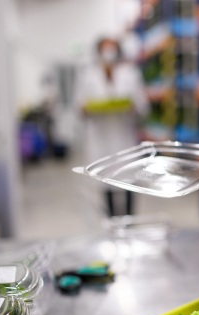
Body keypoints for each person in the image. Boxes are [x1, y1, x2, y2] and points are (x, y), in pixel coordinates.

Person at [77, 37, 149, 216]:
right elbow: (78, 107)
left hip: (124, 135)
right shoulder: (87, 75)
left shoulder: (130, 73)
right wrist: (87, 108)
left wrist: (132, 106)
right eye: (105, 49)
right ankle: (112, 221)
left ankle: (129, 221)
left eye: (112, 48)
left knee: (129, 179)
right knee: (105, 180)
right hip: (100, 136)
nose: (108, 53)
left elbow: (142, 106)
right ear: (98, 51)